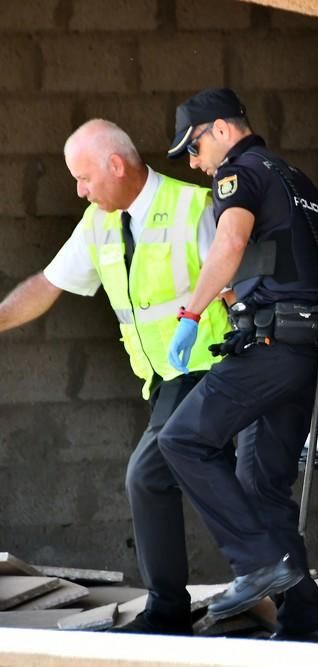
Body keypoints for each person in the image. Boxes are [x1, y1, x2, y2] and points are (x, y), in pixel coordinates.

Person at [0, 119, 230, 635]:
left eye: (84, 178)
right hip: (163, 382)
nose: (80, 190)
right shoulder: (99, 223)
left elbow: (237, 276)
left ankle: (169, 613)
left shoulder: (193, 206)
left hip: (208, 368)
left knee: (147, 474)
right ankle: (279, 593)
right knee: (226, 482)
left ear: (116, 165)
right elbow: (48, 284)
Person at [156, 88, 318, 643]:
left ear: (221, 130)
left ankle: (254, 564)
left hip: (276, 348)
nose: (193, 161)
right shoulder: (296, 179)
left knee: (182, 439)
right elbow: (287, 263)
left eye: (193, 145)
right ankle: (307, 623)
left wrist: (191, 313)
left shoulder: (237, 174)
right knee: (261, 487)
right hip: (313, 353)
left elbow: (230, 243)